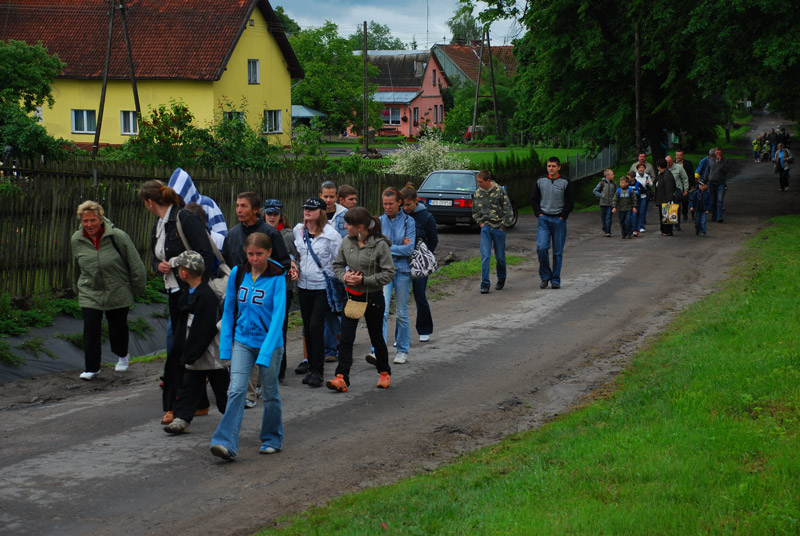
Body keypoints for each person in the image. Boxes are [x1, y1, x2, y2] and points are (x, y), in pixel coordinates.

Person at [139, 180, 214, 425]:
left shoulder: (185, 218)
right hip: (175, 292)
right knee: (185, 348)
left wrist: (191, 282)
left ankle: (175, 406)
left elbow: (205, 254)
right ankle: (198, 403)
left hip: (194, 293)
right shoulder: (159, 224)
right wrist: (158, 266)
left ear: (149, 202)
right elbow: (156, 256)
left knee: (181, 350)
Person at [209, 232, 286, 461]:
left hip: (269, 345)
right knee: (235, 391)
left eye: (259, 254)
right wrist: (226, 347)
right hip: (242, 341)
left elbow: (278, 318)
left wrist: (265, 352)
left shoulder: (277, 278)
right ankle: (225, 443)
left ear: (269, 252)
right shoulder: (238, 273)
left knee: (270, 394)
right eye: (250, 254)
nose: (254, 259)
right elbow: (229, 310)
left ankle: (272, 438)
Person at [222, 192, 291, 408]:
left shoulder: (270, 233)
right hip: (241, 297)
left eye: (243, 206)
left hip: (267, 298)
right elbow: (227, 263)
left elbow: (284, 264)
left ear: (255, 210)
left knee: (269, 337)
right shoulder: (232, 234)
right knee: (243, 339)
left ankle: (266, 380)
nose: (239, 210)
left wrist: (266, 278)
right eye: (237, 205)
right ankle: (247, 391)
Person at [71, 201, 146, 380]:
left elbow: (135, 262)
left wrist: (138, 287)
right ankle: (92, 368)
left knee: (117, 326)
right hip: (90, 290)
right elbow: (76, 265)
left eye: (93, 220)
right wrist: (76, 287)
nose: (89, 224)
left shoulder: (117, 236)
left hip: (117, 287)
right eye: (85, 221)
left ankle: (122, 355)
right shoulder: (77, 239)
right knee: (91, 327)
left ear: (100, 219)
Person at [326, 207, 396, 392]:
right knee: (346, 339)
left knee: (376, 337)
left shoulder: (380, 244)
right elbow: (337, 265)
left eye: (349, 224)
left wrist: (364, 280)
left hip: (373, 297)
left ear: (361, 227)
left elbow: (389, 273)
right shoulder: (346, 242)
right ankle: (341, 377)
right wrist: (344, 277)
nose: (345, 227)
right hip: (351, 297)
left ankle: (384, 372)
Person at [163, 251, 230, 434]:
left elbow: (205, 330)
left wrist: (190, 354)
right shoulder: (187, 295)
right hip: (193, 353)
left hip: (210, 353)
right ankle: (182, 418)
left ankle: (231, 416)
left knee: (222, 388)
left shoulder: (207, 297)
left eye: (179, 268)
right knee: (189, 386)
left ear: (184, 273)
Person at [293, 197, 342, 387]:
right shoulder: (299, 230)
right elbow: (296, 254)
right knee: (307, 327)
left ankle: (318, 371)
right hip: (303, 286)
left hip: (322, 287)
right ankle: (311, 367)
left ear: (320, 212)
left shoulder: (331, 235)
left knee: (316, 327)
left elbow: (339, 260)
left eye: (311, 209)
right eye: (305, 208)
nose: (307, 211)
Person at [263, 199, 300, 381]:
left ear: (280, 215)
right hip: (262, 289)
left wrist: (293, 265)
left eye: (275, 214)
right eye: (269, 214)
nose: (272, 217)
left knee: (280, 329)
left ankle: (279, 369)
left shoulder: (288, 235)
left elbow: (297, 257)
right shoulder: (259, 232)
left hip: (282, 288)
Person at [379, 187, 415, 364]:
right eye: (385, 204)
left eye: (391, 204)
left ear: (399, 202)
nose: (387, 207)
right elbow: (375, 247)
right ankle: (377, 350)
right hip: (384, 271)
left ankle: (402, 350)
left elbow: (409, 249)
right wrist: (397, 247)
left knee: (401, 313)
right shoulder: (379, 221)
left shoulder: (409, 221)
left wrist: (387, 247)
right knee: (382, 311)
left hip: (403, 271)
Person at [401, 185, 438, 341]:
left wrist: (423, 255)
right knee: (402, 299)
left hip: (419, 262)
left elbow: (433, 240)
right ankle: (401, 335)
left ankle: (424, 329)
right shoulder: (399, 216)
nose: (406, 208)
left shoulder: (426, 217)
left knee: (419, 295)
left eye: (408, 204)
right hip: (402, 261)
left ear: (416, 201)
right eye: (403, 205)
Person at [531, 157, 574, 289]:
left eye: (553, 166)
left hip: (558, 220)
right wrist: (538, 213)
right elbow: (534, 198)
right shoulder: (540, 181)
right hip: (544, 219)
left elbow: (570, 201)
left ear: (559, 167)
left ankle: (555, 279)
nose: (551, 168)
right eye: (549, 166)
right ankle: (545, 276)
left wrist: (562, 216)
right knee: (542, 248)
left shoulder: (565, 182)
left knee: (557, 252)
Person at [472, 170, 514, 293]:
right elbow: (474, 211)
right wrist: (481, 223)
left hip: (498, 227)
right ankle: (485, 283)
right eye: (478, 182)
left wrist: (503, 226)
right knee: (485, 256)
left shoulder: (499, 191)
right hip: (486, 228)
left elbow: (508, 210)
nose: (479, 184)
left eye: (481, 182)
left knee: (500, 257)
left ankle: (501, 278)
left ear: (488, 181)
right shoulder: (478, 193)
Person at [319, 181, 346, 364]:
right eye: (325, 196)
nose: (328, 200)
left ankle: (334, 346)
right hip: (318, 270)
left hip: (338, 270)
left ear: (337, 197)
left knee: (335, 310)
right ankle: (327, 348)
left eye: (331, 196)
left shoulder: (344, 215)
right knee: (324, 311)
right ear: (320, 196)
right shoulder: (314, 212)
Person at [168, 167, 228, 236]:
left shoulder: (207, 204)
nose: (177, 200)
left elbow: (222, 235)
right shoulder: (173, 209)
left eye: (179, 196)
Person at [653, 158, 677, 237]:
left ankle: (667, 231)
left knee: (666, 216)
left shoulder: (667, 175)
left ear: (659, 166)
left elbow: (669, 188)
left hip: (665, 199)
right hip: (661, 198)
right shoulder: (661, 174)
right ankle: (664, 230)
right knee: (663, 215)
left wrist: (669, 199)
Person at [665, 155, 689, 231]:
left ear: (672, 161)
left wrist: (686, 189)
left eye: (669, 162)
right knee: (668, 207)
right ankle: (669, 225)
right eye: (666, 163)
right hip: (667, 191)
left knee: (676, 208)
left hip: (677, 191)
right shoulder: (664, 168)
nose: (668, 164)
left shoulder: (679, 168)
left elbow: (685, 179)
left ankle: (677, 224)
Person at [612, 173, 638, 239]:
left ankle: (629, 233)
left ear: (627, 183)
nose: (621, 184)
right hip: (621, 209)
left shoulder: (630, 190)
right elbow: (615, 199)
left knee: (627, 221)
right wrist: (614, 207)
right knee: (622, 222)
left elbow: (634, 199)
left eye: (622, 183)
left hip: (628, 209)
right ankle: (623, 233)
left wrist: (634, 206)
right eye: (620, 183)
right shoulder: (618, 191)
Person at [707, 147, 729, 223]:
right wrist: (705, 181)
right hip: (712, 182)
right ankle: (714, 216)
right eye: (717, 152)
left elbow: (726, 170)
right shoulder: (710, 160)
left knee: (719, 200)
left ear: (721, 153)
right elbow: (707, 171)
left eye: (719, 153)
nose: (718, 154)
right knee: (713, 200)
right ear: (715, 153)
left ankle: (719, 217)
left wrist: (720, 163)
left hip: (720, 183)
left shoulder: (725, 161)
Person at [593, 169, 616, 237]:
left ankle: (608, 231)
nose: (613, 176)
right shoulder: (601, 183)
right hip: (603, 203)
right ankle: (605, 229)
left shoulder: (614, 184)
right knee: (603, 217)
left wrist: (615, 202)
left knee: (608, 218)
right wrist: (601, 195)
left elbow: (616, 193)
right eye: (612, 175)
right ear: (607, 176)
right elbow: (595, 191)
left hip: (611, 204)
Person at [675, 150, 695, 223]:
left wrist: (692, 185)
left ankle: (684, 213)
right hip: (676, 186)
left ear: (683, 156)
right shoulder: (673, 163)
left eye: (680, 155)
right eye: (677, 155)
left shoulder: (688, 163)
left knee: (685, 201)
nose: (679, 157)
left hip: (685, 185)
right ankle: (675, 215)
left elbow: (692, 174)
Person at [633, 162, 653, 233]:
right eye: (639, 168)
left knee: (642, 211)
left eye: (642, 168)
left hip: (644, 196)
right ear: (637, 169)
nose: (641, 169)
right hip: (636, 196)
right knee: (636, 211)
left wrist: (648, 183)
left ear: (644, 168)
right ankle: (635, 226)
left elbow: (651, 184)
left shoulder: (647, 176)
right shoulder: (635, 176)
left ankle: (641, 226)